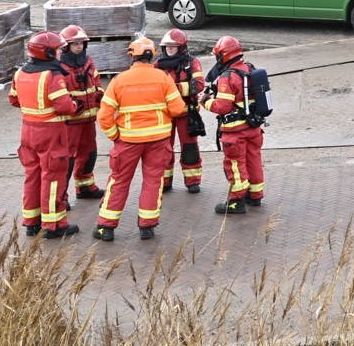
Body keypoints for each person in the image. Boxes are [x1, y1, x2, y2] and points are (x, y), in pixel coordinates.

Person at [93, 35, 185, 241]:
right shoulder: (163, 78)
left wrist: (115, 136)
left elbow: (104, 116)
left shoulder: (119, 81)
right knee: (153, 181)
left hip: (127, 142)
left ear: (131, 56)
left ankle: (105, 227)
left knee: (118, 181)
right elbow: (178, 109)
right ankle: (147, 226)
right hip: (158, 141)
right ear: (152, 55)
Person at [7, 30, 80, 239]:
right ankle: (54, 224)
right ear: (48, 53)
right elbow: (65, 106)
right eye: (57, 50)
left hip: (27, 132)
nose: (60, 54)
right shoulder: (53, 76)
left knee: (32, 176)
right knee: (53, 177)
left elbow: (13, 100)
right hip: (51, 133)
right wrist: (75, 104)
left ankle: (32, 222)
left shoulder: (20, 73)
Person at [206, 36, 265, 214]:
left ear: (223, 56)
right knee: (253, 159)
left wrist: (206, 101)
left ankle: (235, 202)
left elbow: (222, 107)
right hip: (253, 128)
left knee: (235, 165)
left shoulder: (227, 77)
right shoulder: (249, 69)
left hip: (235, 132)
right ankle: (255, 195)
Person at [154, 29, 207, 194]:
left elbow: (198, 85)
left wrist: (171, 89)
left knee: (189, 147)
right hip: (165, 114)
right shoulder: (157, 65)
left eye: (173, 46)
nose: (169, 49)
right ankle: (165, 181)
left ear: (181, 47)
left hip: (186, 112)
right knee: (164, 148)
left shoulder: (192, 62)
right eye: (167, 47)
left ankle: (192, 181)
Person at [58, 24, 104, 200]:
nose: (79, 46)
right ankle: (61, 197)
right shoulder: (59, 68)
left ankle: (85, 187)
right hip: (70, 122)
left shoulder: (88, 62)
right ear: (66, 46)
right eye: (75, 43)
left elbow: (97, 82)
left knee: (89, 153)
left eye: (81, 43)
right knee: (67, 160)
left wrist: (99, 95)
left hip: (88, 120)